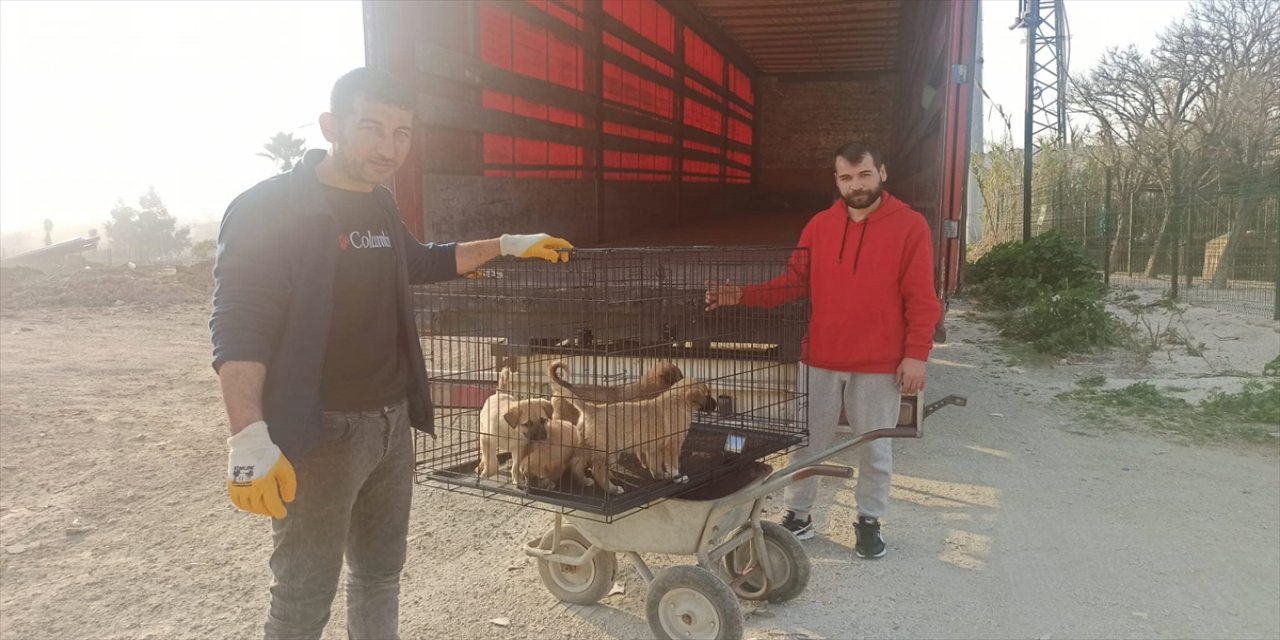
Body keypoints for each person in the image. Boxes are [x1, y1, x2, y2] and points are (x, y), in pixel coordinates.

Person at [210, 67, 572, 639]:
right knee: (303, 596)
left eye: (402, 133)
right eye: (372, 128)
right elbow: (238, 327)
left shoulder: (379, 203)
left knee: (380, 576)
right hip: (320, 434)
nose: (389, 148)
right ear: (331, 125)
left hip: (390, 423)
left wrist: (506, 245)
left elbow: (422, 260)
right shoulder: (268, 208)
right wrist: (248, 435)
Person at [706, 141, 940, 559]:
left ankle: (869, 520)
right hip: (820, 357)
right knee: (806, 442)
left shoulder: (910, 226)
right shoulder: (819, 226)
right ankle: (799, 516)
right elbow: (792, 283)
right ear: (836, 180)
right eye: (847, 178)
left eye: (864, 175)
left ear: (882, 173)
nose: (857, 185)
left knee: (875, 446)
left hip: (879, 360)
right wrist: (741, 294)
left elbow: (921, 296)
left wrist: (916, 353)